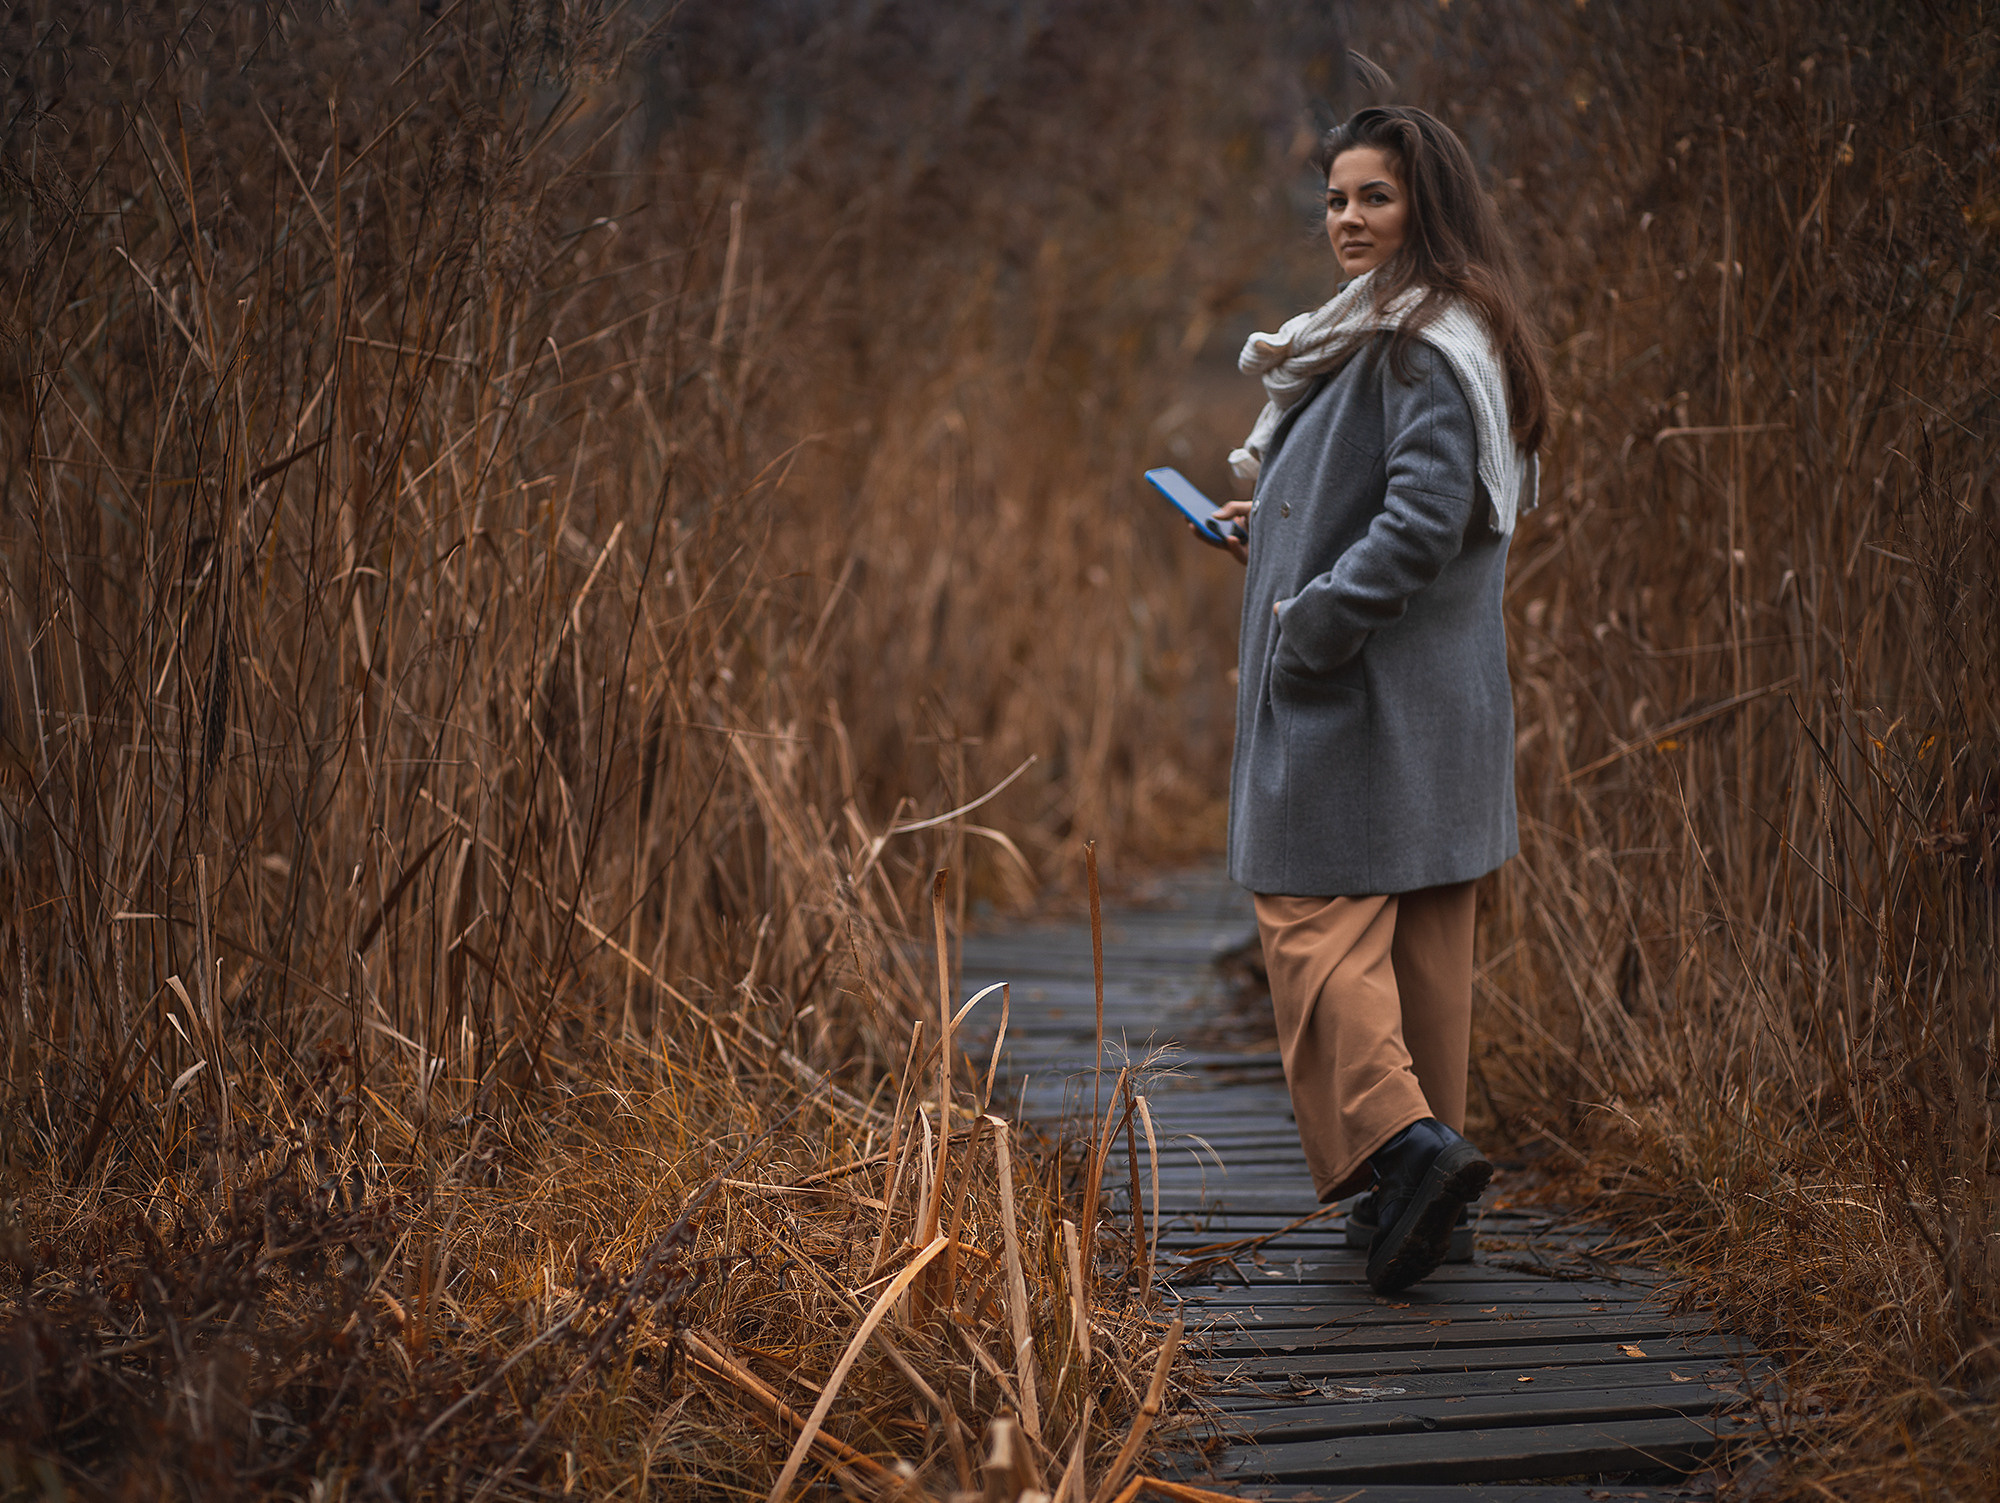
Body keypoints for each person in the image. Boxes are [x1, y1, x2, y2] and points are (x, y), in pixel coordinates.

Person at [1191, 106, 1549, 1294]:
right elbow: (1379, 497)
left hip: (1364, 690)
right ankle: (1423, 1209)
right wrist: (1271, 524)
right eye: (1335, 199)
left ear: (1424, 206)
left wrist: (1311, 627)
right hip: (1425, 695)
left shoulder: (1415, 342)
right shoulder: (1416, 330)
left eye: (1373, 198)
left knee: (1307, 913)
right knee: (1421, 944)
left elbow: (1422, 516)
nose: (1346, 219)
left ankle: (1406, 1150)